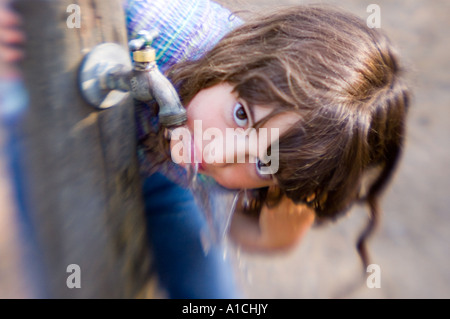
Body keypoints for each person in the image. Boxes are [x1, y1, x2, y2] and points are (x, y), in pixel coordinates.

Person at [2, 0, 410, 298]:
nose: (221, 153)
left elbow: (258, 238)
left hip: (167, 176)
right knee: (69, 275)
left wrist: (296, 189)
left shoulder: (267, 166)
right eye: (240, 114)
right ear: (242, 57)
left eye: (263, 161)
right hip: (58, 149)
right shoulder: (155, 26)